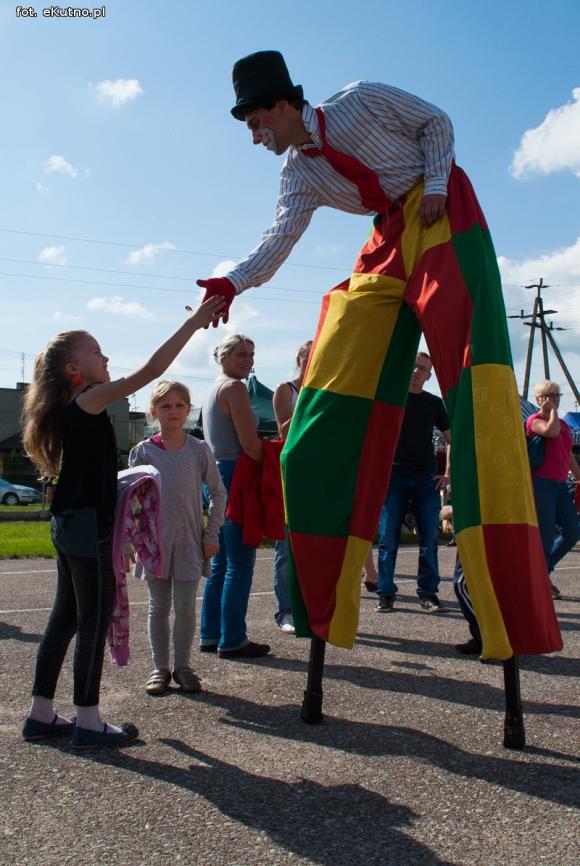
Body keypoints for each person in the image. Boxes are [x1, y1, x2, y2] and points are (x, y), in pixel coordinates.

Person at [196, 50, 561, 658]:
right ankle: (323, 589)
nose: (255, 136)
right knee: (334, 366)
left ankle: (502, 606)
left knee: (477, 379)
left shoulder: (359, 100)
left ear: (284, 106)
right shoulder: (298, 174)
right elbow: (278, 238)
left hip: (441, 208)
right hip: (387, 234)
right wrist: (232, 282)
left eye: (257, 122)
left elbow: (436, 122)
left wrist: (437, 183)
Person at [20, 295, 225, 747]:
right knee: (93, 621)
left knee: (66, 618)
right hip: (87, 527)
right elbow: (151, 371)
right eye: (95, 352)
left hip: (68, 524)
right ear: (74, 370)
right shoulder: (88, 399)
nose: (106, 357)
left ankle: (41, 714)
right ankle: (89, 722)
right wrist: (194, 324)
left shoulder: (71, 405)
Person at [129, 380, 226, 695]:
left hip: (189, 542)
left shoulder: (199, 449)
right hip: (154, 544)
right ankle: (160, 669)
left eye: (179, 405)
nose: (173, 411)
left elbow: (218, 492)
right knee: (158, 606)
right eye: (165, 405)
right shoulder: (142, 452)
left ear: (189, 410)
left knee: (185, 607)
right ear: (153, 411)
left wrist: (211, 534)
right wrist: (132, 540)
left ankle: (183, 667)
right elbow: (129, 502)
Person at [199, 334, 270, 658]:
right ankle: (233, 639)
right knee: (239, 564)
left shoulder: (213, 388)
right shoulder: (235, 388)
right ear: (223, 356)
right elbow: (250, 444)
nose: (248, 360)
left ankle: (211, 634)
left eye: (251, 354)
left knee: (222, 563)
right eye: (241, 353)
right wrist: (276, 460)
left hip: (216, 475)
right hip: (235, 475)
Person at [375, 353, 450, 613]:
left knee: (429, 538)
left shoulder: (434, 403)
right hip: (392, 477)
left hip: (425, 478)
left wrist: (447, 473)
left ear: (429, 376)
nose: (417, 371)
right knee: (388, 538)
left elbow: (451, 439)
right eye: (414, 366)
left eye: (423, 369)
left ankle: (428, 594)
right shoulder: (389, 398)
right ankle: (385, 594)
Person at [526, 380, 580, 599]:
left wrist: (579, 477)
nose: (556, 399)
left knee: (572, 531)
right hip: (541, 483)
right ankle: (541, 580)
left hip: (560, 484)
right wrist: (551, 412)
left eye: (558, 395)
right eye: (551, 395)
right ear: (541, 398)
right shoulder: (534, 420)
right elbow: (551, 432)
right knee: (545, 534)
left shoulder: (564, 425)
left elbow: (568, 454)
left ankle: (543, 572)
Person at [272, 340, 312, 632]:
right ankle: (285, 611)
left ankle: (310, 608)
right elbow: (283, 430)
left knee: (314, 544)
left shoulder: (327, 389)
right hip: (291, 472)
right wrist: (310, 399)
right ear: (299, 358)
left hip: (318, 472)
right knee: (285, 547)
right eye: (310, 356)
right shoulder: (286, 389)